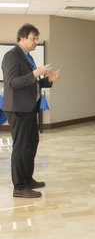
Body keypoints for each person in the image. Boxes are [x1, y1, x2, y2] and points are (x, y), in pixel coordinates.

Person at [2, 23, 61, 198]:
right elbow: (12, 82)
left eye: (36, 38)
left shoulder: (27, 56)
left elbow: (31, 82)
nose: (36, 42)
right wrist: (36, 73)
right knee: (21, 147)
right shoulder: (12, 56)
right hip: (18, 109)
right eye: (33, 38)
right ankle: (19, 187)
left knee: (31, 144)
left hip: (29, 108)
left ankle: (27, 179)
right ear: (22, 38)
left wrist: (47, 80)